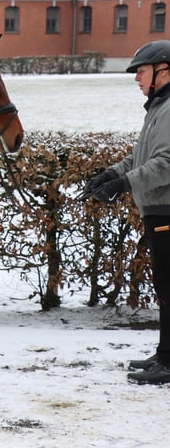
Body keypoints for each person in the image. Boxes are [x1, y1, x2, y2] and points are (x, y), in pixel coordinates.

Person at [84, 40, 170, 384]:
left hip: (166, 211)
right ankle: (165, 355)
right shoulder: (158, 108)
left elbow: (166, 163)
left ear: (164, 71)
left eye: (142, 71)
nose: (136, 78)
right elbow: (140, 158)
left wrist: (125, 185)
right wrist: (112, 174)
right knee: (165, 287)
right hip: (158, 210)